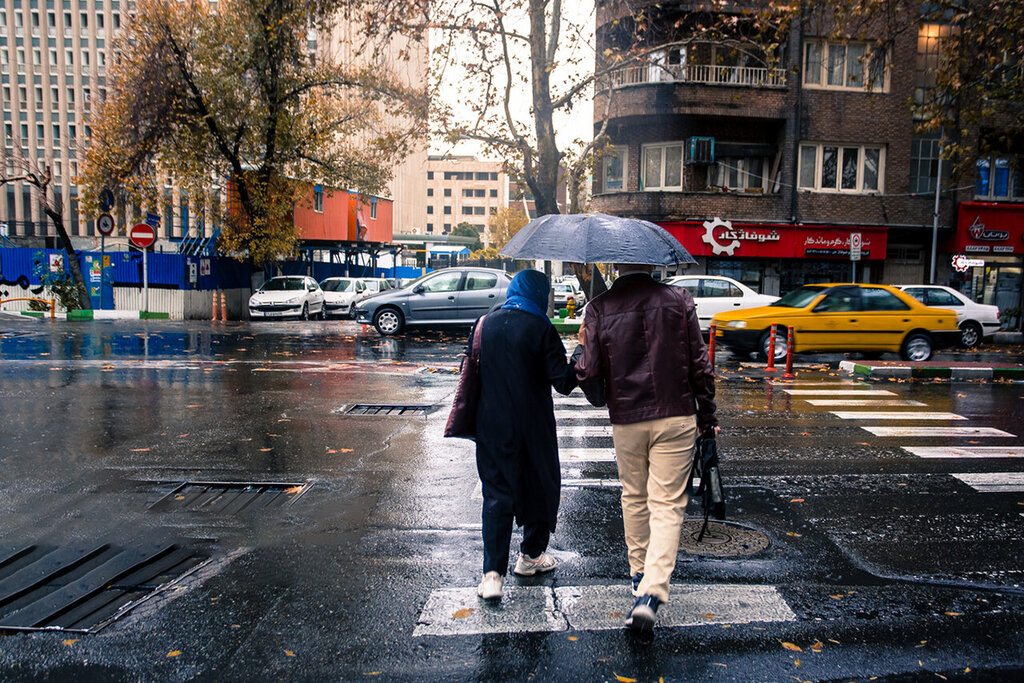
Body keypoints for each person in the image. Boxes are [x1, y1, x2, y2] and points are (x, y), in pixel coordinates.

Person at [575, 263, 718, 633]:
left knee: (634, 496)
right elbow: (700, 364)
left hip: (627, 417)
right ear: (654, 264)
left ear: (618, 265)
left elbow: (588, 373)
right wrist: (707, 413)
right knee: (668, 504)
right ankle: (652, 592)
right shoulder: (678, 300)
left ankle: (639, 574)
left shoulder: (598, 307)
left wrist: (599, 390)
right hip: (676, 413)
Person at [472, 269, 578, 601]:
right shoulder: (541, 328)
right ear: (538, 294)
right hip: (533, 428)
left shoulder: (484, 324)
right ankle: (531, 557)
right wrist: (581, 352)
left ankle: (492, 576)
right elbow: (563, 382)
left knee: (497, 495)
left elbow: (470, 370)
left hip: (491, 425)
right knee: (539, 489)